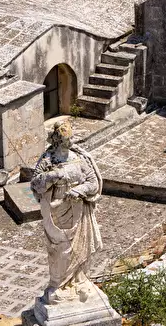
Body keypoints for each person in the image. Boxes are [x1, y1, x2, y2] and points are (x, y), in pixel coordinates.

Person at [30, 120, 104, 305]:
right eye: (66, 140)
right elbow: (35, 184)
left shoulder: (79, 158)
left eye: (71, 138)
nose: (71, 142)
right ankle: (58, 284)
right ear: (57, 141)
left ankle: (79, 281)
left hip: (78, 208)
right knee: (61, 249)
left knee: (82, 248)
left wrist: (79, 190)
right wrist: (53, 175)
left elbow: (93, 182)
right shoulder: (48, 160)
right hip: (57, 210)